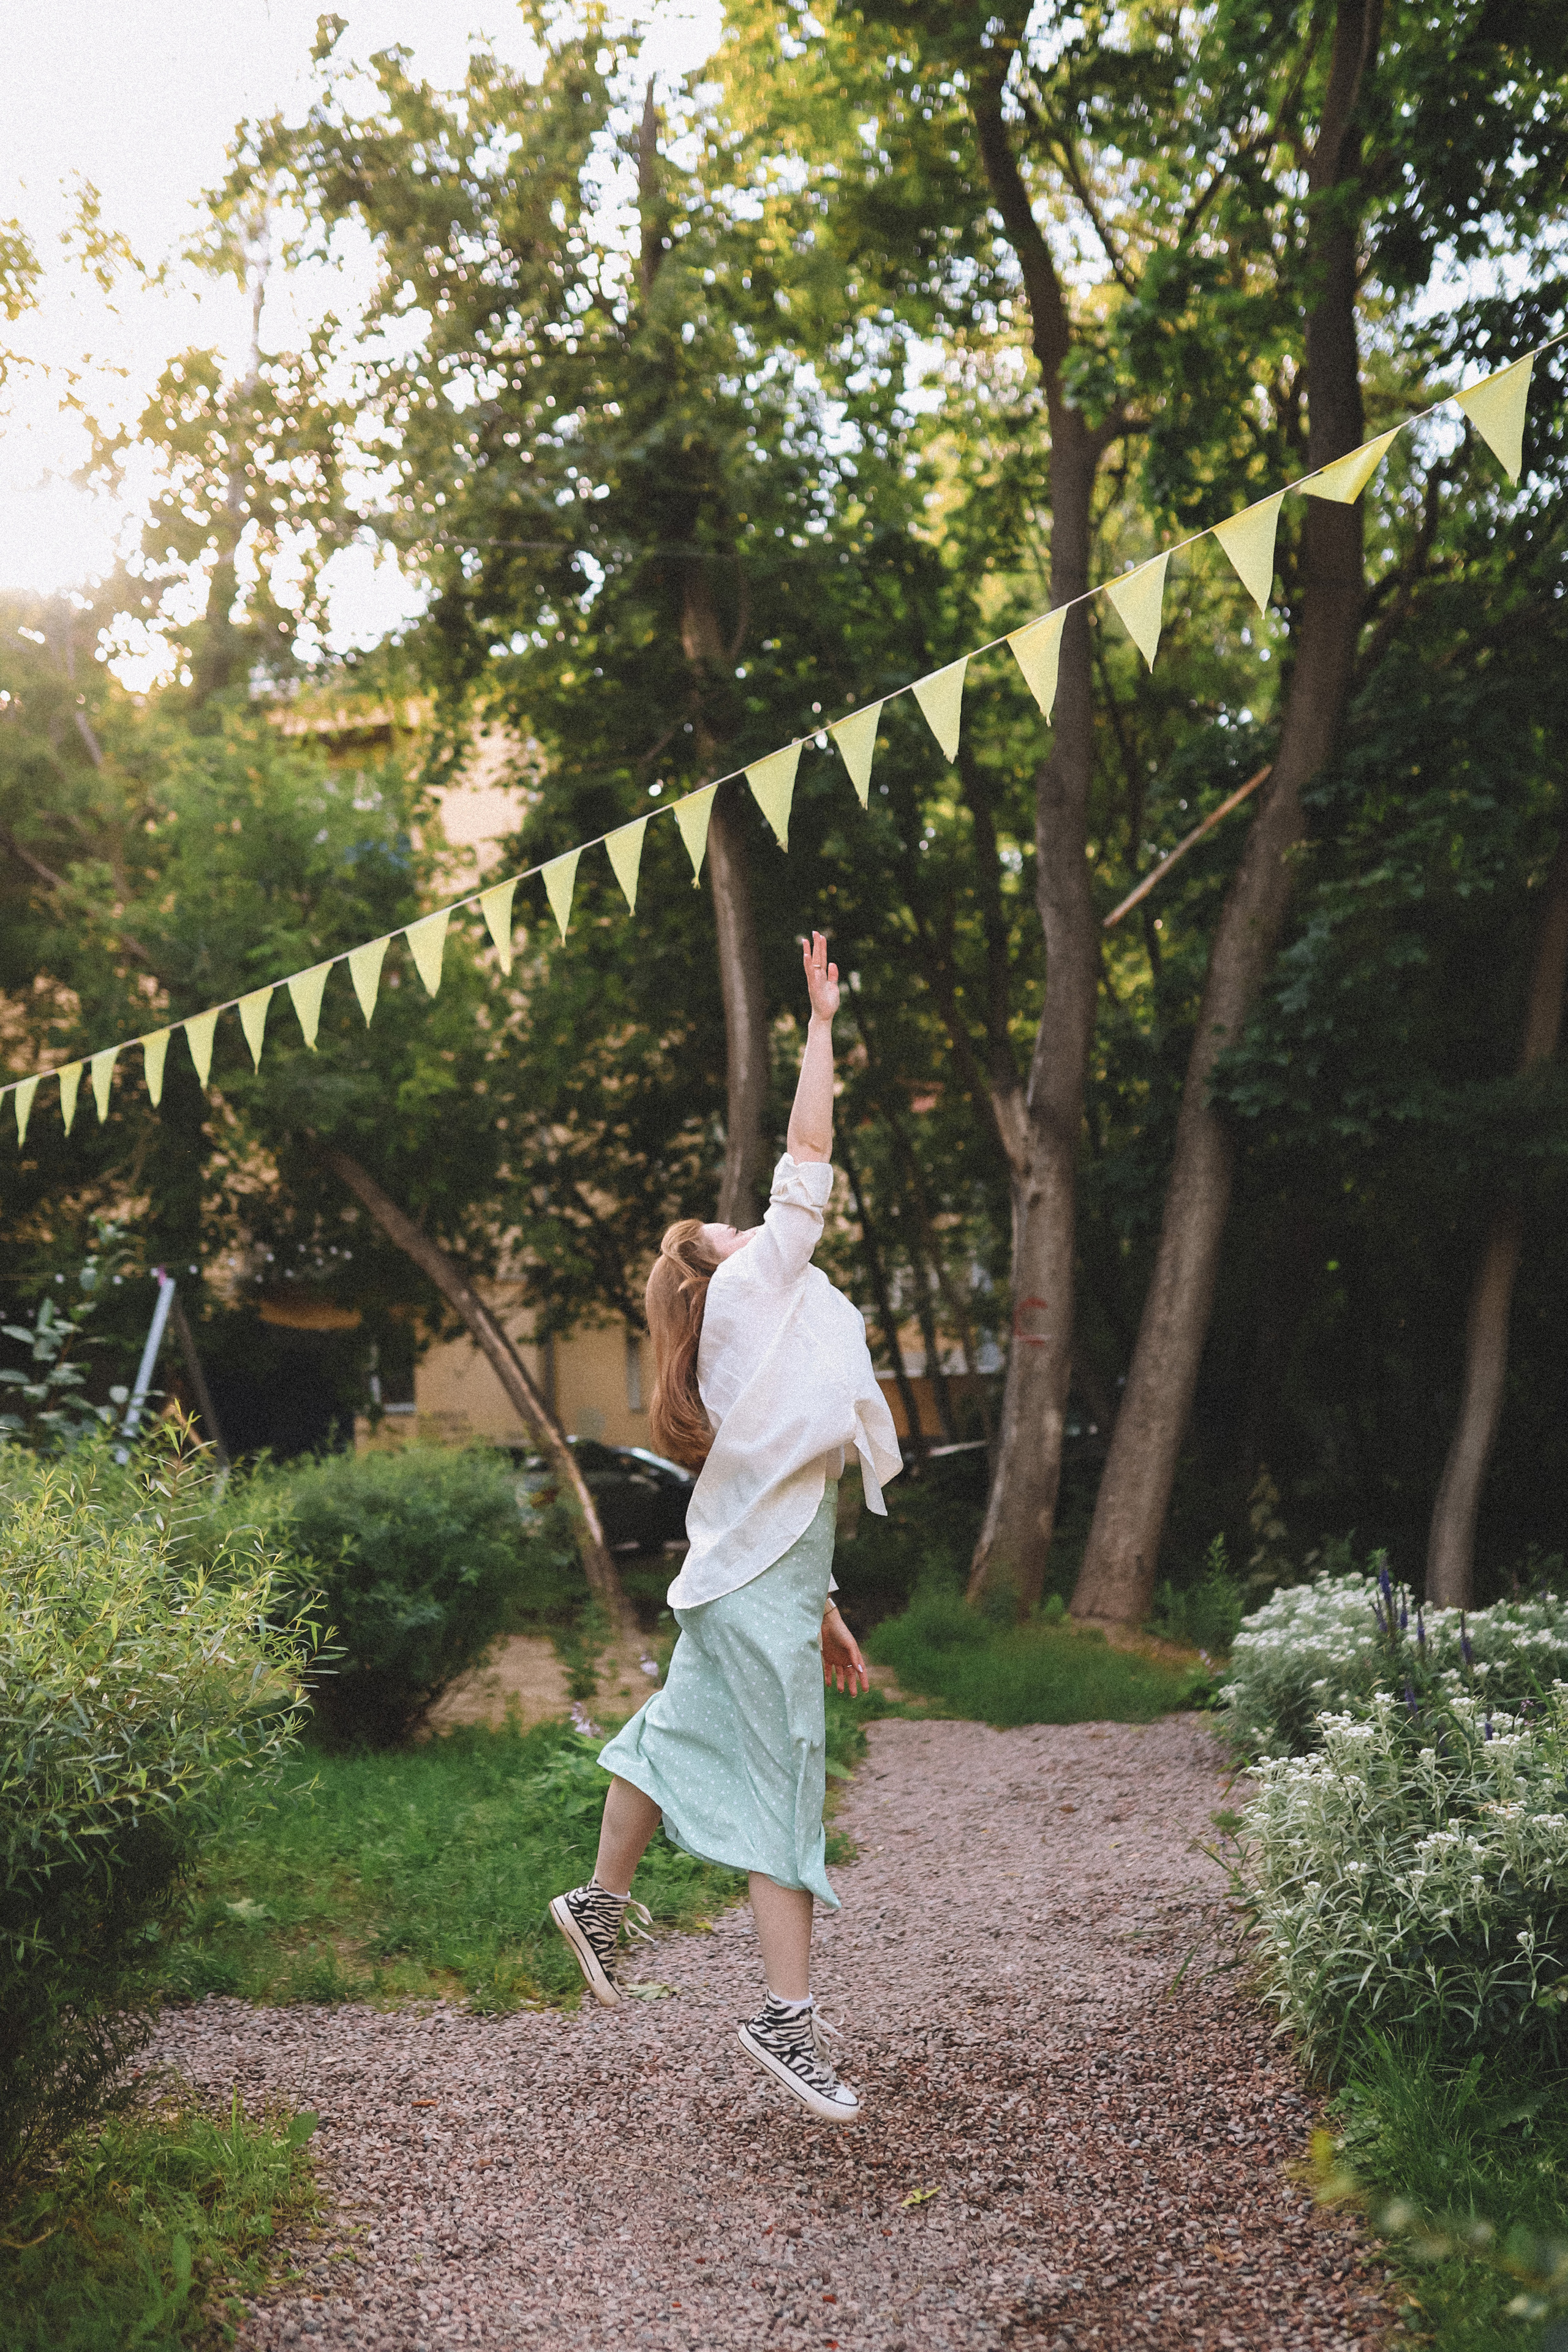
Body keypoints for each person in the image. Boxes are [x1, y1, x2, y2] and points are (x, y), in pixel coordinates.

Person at [549, 930, 902, 2123]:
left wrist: (825, 1616)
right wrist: (816, 1021)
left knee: (671, 1736)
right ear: (715, 1271)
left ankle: (595, 1903)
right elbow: (809, 1149)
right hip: (751, 1587)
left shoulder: (763, 1311)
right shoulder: (755, 1287)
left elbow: (781, 1494)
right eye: (727, 1224)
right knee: (780, 1783)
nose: (750, 1220)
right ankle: (785, 2020)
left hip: (756, 1578)